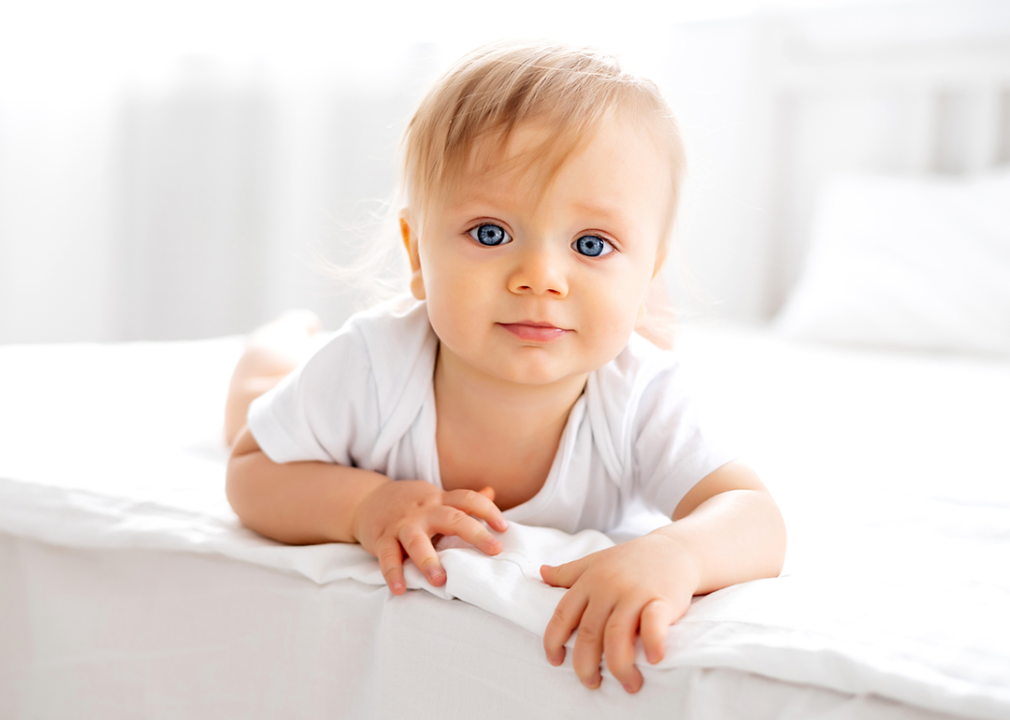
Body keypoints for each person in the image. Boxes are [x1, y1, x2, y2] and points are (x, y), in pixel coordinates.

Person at [225, 41, 786, 695]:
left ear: (648, 274)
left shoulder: (640, 394)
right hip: (336, 388)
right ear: (416, 252)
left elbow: (753, 514)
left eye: (591, 245)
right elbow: (251, 471)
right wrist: (364, 505)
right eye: (491, 233)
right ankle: (275, 344)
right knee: (260, 394)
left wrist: (679, 553)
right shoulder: (373, 362)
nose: (540, 278)